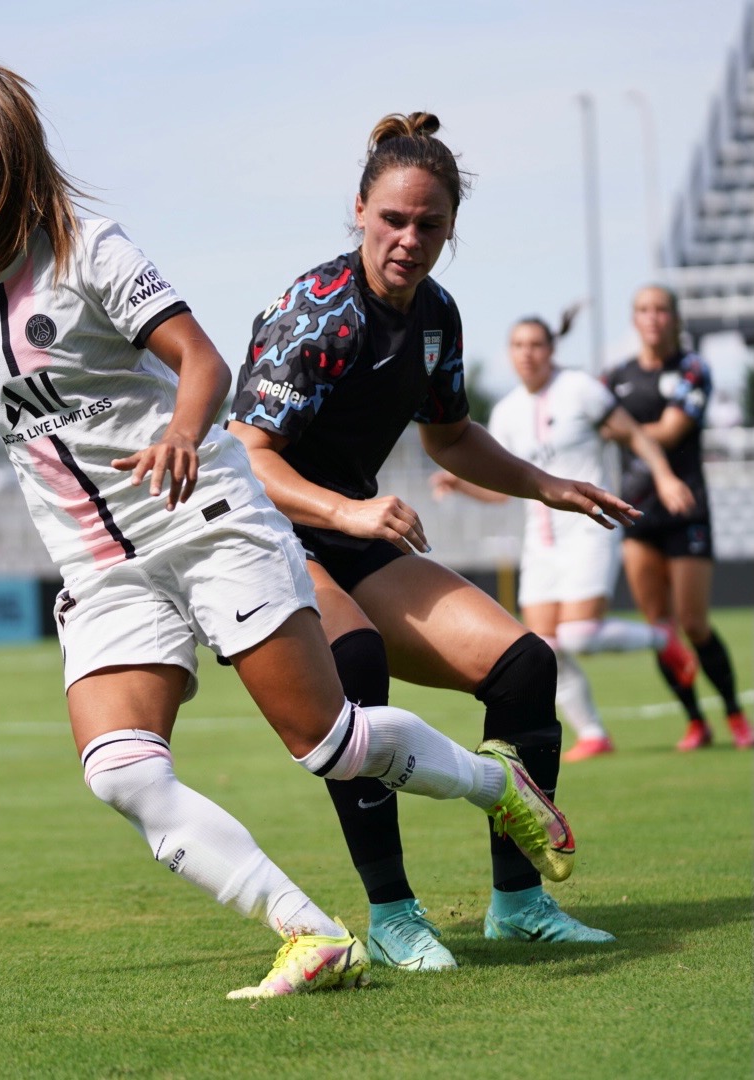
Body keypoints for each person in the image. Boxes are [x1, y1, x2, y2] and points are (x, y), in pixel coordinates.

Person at [0, 69, 576, 1000]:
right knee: (120, 773)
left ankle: (495, 786)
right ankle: (309, 933)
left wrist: (181, 428)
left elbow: (202, 361)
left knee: (326, 741)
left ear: (0, 170)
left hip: (202, 516)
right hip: (100, 570)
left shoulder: (85, 249)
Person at [227, 112, 640, 969]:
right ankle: (392, 914)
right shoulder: (314, 313)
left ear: (450, 230)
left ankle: (518, 904)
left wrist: (547, 484)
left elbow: (449, 436)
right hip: (263, 537)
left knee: (525, 667)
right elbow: (246, 454)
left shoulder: (435, 317)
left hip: (349, 530)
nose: (408, 239)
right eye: (392, 219)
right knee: (357, 664)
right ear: (359, 212)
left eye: (429, 224)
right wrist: (346, 513)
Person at [430, 311, 700, 762]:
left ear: (551, 349)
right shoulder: (507, 411)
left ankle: (661, 638)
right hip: (542, 544)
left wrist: (665, 476)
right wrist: (459, 483)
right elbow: (501, 493)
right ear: (509, 354)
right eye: (518, 346)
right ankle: (593, 733)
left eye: (536, 345)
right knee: (543, 647)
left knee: (578, 634)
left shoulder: (580, 390)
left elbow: (636, 436)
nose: (527, 354)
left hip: (589, 530)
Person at [603, 285, 753, 751]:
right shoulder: (616, 377)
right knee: (659, 628)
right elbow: (598, 421)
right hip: (636, 510)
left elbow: (668, 431)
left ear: (675, 317)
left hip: (686, 508)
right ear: (634, 319)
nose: (653, 318)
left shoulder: (692, 368)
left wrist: (622, 430)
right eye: (644, 309)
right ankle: (694, 721)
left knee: (693, 621)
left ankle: (733, 713)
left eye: (661, 309)